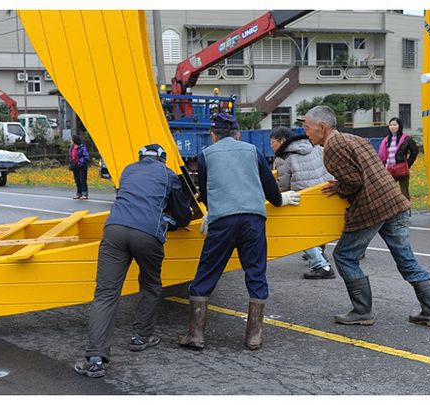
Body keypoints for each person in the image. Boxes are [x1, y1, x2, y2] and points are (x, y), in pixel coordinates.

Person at [303, 105, 430, 328]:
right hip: (394, 201)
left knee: (344, 255)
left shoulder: (332, 147)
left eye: (307, 127)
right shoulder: (351, 138)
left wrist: (339, 188)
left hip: (373, 206)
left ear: (322, 126)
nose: (306, 132)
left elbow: (354, 182)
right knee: (406, 259)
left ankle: (362, 311)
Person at [178, 113, 301, 351]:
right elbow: (269, 187)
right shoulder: (252, 151)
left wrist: (210, 213)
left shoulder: (205, 155)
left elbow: (204, 191)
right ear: (237, 134)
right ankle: (254, 336)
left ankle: (196, 335)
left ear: (213, 136)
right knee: (255, 273)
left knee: (207, 272)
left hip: (222, 221)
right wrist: (280, 200)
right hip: (253, 220)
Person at [75, 144, 193, 378]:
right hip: (147, 235)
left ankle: (95, 359)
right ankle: (141, 337)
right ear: (162, 159)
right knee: (150, 285)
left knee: (106, 294)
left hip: (114, 230)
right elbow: (181, 213)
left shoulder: (128, 170)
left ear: (140, 158)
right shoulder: (168, 174)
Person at [270, 126, 336, 279]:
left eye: (272, 142)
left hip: (303, 199)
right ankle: (320, 254)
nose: (271, 146)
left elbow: (284, 187)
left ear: (282, 141)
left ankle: (321, 265)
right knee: (314, 229)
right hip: (323, 194)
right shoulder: (315, 147)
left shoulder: (283, 157)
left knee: (298, 231)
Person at [377, 117, 418, 200]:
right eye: (391, 125)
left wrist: (408, 164)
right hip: (389, 170)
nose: (392, 127)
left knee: (404, 192)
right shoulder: (386, 140)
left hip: (401, 168)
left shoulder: (406, 139)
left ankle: (406, 212)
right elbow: (382, 155)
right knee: (389, 192)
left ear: (400, 126)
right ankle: (393, 212)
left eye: (395, 125)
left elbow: (414, 151)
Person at [69, 135, 90, 200]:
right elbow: (70, 155)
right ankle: (79, 193)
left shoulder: (82, 147)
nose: (71, 141)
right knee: (77, 180)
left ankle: (84, 194)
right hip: (75, 165)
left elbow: (86, 156)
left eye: (72, 140)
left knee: (82, 180)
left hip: (82, 165)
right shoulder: (72, 147)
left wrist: (80, 162)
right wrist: (71, 162)